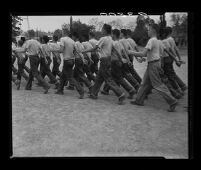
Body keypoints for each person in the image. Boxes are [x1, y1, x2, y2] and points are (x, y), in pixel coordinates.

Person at [128, 24, 178, 112]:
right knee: (144, 83)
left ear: (153, 30)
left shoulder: (151, 40)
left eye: (149, 30)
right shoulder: (157, 41)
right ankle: (139, 100)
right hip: (154, 63)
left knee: (157, 85)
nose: (147, 31)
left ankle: (172, 101)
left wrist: (130, 52)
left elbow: (143, 53)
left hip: (153, 65)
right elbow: (154, 54)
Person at [82, 24, 126, 105]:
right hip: (108, 60)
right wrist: (120, 59)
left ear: (105, 30)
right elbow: (115, 50)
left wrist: (84, 51)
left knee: (108, 79)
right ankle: (93, 94)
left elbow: (95, 48)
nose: (101, 30)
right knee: (99, 78)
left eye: (102, 29)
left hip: (104, 60)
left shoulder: (103, 38)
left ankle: (120, 94)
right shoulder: (111, 39)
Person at [105, 29, 136, 99]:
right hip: (119, 62)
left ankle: (130, 90)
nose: (111, 36)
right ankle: (106, 89)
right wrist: (128, 60)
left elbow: (111, 53)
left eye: (112, 34)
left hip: (114, 62)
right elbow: (124, 52)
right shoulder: (119, 43)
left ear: (114, 35)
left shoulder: (113, 43)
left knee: (117, 78)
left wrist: (118, 58)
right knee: (113, 77)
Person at [54, 31, 84, 99]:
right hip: (72, 60)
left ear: (65, 33)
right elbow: (76, 51)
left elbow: (61, 50)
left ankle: (81, 91)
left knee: (70, 78)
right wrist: (82, 58)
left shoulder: (63, 39)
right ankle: (60, 90)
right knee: (63, 76)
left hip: (67, 60)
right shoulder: (73, 41)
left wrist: (54, 49)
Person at [166, 27, 187, 92]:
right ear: (171, 32)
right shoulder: (171, 39)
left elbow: (169, 50)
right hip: (171, 58)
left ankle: (179, 88)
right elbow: (176, 49)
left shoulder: (167, 40)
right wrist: (178, 58)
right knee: (171, 73)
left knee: (170, 74)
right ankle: (182, 86)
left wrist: (176, 60)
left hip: (168, 57)